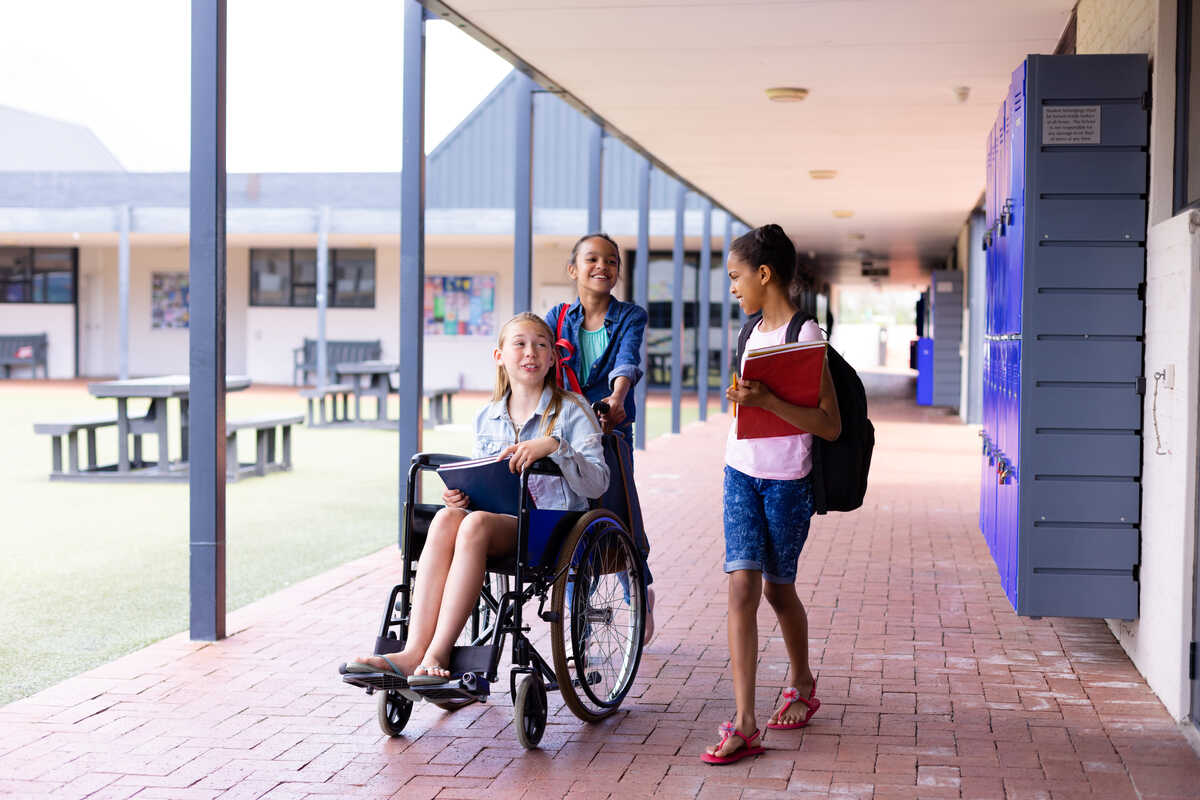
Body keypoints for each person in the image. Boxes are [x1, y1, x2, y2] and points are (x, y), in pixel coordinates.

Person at [341, 312, 609, 685]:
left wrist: (555, 445)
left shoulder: (572, 411)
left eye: (540, 345)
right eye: (519, 344)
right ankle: (413, 649)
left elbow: (598, 483)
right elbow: (486, 480)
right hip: (497, 522)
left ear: (552, 358)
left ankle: (437, 653)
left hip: (553, 529)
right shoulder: (487, 417)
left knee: (476, 524)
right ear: (499, 355)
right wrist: (462, 494)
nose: (530, 352)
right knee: (448, 518)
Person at [702, 224, 842, 765]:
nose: (733, 288)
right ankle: (745, 722)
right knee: (742, 585)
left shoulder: (807, 337)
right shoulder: (748, 334)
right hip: (739, 471)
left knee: (777, 592)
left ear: (764, 275)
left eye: (737, 277)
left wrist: (768, 400)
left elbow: (828, 425)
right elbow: (748, 409)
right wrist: (743, 397)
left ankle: (803, 682)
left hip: (787, 483)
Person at [545, 232, 657, 643]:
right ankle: (578, 609)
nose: (602, 267)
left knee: (619, 511)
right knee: (573, 514)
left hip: (612, 428)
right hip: (567, 431)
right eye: (592, 259)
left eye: (611, 261)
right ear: (573, 269)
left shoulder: (631, 315)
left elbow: (627, 359)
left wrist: (618, 398)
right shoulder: (557, 317)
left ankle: (636, 591)